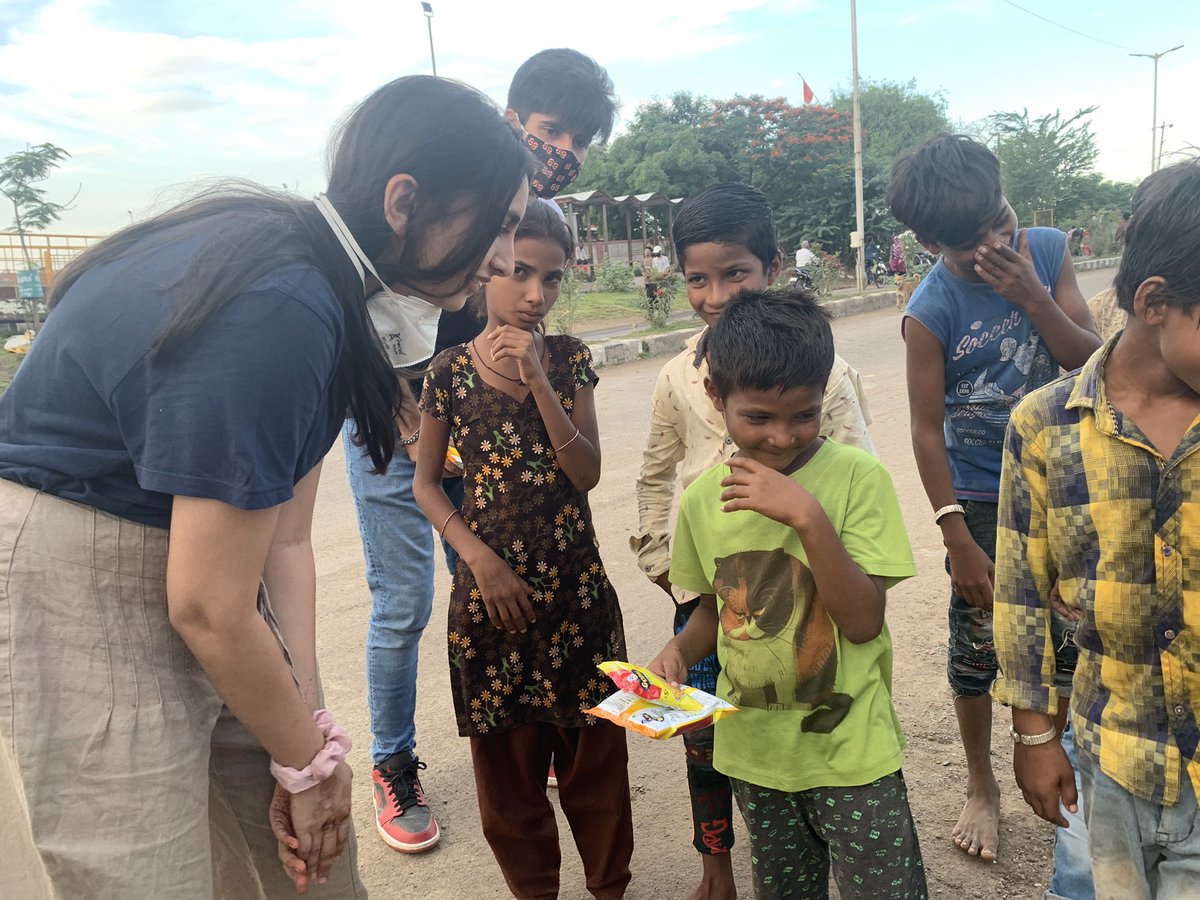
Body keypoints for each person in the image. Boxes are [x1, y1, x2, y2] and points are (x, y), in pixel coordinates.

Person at [0, 75, 532, 899]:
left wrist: (308, 730)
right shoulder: (280, 304)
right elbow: (209, 604)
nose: (505, 258)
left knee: (311, 862)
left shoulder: (332, 296)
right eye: (497, 224)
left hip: (204, 566)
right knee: (143, 864)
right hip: (79, 561)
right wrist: (309, 766)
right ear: (404, 202)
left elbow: (284, 541)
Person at [342, 47, 617, 855]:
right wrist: (414, 419)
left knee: (520, 582)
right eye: (550, 129)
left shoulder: (535, 219)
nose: (562, 150)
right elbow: (375, 313)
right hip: (403, 427)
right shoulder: (463, 192)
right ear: (511, 119)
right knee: (405, 603)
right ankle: (394, 764)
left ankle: (540, 721)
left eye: (578, 140)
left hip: (489, 441)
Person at [632, 182, 875, 900]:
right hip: (710, 595)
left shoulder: (822, 370)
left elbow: (861, 469)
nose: (716, 295)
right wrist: (666, 569)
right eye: (698, 279)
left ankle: (821, 836)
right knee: (700, 728)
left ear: (768, 265)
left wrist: (833, 553)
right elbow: (652, 474)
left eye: (734, 273)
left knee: (803, 713)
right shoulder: (679, 377)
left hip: (806, 589)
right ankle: (717, 862)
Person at [649, 289, 926, 900]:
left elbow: (860, 622)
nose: (782, 437)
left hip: (852, 753)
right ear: (717, 398)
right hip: (754, 754)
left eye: (803, 414)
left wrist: (808, 518)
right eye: (759, 418)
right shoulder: (701, 501)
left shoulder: (858, 480)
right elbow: (709, 612)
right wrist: (677, 651)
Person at [888, 133, 1101, 867]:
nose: (997, 243)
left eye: (1001, 222)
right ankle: (982, 782)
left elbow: (1087, 360)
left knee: (1075, 629)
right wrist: (955, 536)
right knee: (979, 648)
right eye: (973, 241)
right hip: (981, 495)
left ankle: (1059, 753)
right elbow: (923, 430)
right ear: (926, 241)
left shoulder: (1045, 251)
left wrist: (1033, 297)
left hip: (1068, 484)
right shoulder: (929, 309)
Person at [413, 199, 632, 899]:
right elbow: (426, 485)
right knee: (507, 784)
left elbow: (587, 474)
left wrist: (539, 378)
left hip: (579, 598)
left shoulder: (569, 360)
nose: (537, 294)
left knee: (596, 772)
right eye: (520, 273)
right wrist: (478, 561)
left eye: (554, 279)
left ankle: (608, 888)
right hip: (493, 609)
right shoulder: (447, 372)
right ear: (486, 273)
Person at [994, 158, 1200, 900]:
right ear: (1154, 302)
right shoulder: (1046, 426)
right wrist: (1034, 736)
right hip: (1107, 755)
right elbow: (1020, 597)